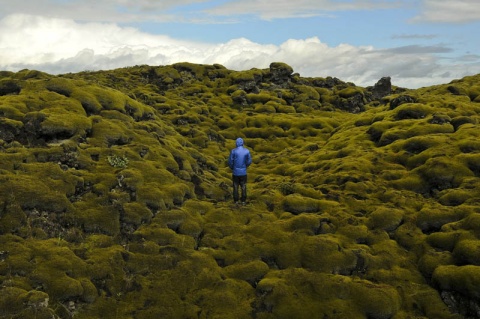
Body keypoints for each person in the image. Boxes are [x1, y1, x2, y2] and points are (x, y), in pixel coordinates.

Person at [228, 137, 252, 205]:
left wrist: (233, 167)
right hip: (243, 172)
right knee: (243, 186)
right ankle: (243, 200)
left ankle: (236, 200)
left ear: (236, 143)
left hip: (235, 172)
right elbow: (249, 161)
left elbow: (230, 161)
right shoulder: (247, 151)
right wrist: (245, 166)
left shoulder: (233, 151)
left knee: (235, 186)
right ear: (242, 143)